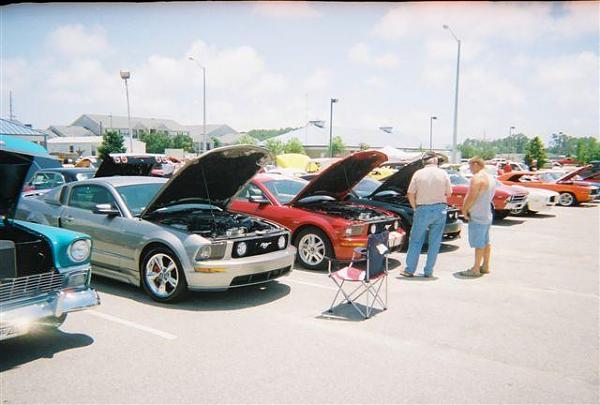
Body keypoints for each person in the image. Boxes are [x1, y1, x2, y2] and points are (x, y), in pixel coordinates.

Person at [400, 155, 452, 278]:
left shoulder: (418, 173)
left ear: (424, 162)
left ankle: (409, 270)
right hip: (440, 209)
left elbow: (410, 193)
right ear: (435, 161)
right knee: (435, 242)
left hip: (423, 208)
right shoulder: (443, 173)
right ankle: (428, 271)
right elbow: (449, 193)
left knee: (416, 241)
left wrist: (414, 207)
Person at [460, 157, 495, 277]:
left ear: (476, 164)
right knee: (486, 241)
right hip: (487, 213)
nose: (470, 169)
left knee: (479, 243)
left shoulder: (477, 178)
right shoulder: (491, 178)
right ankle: (485, 266)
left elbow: (471, 196)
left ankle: (475, 269)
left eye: (470, 166)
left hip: (478, 214)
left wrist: (464, 210)